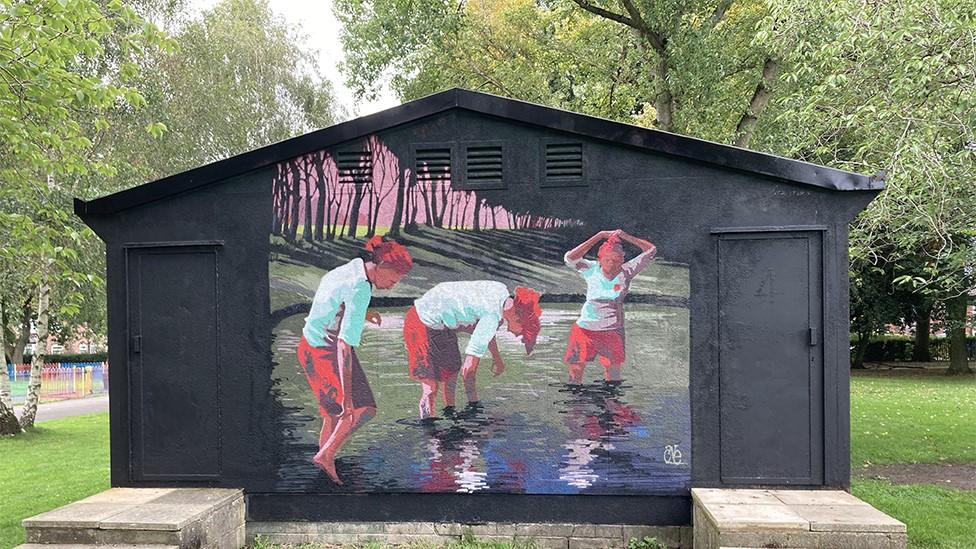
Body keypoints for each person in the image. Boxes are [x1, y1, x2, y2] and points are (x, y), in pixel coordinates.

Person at [297, 235, 413, 484]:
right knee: (361, 409)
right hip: (325, 350)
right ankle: (326, 455)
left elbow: (334, 301)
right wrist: (348, 398)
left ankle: (323, 465)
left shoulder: (352, 267)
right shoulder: (361, 287)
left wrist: (363, 312)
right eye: (393, 280)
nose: (392, 286)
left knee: (332, 413)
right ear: (381, 267)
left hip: (308, 345)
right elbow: (343, 346)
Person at [403, 281, 542, 419]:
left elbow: (484, 329)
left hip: (443, 324)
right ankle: (429, 430)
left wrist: (496, 357)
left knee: (451, 373)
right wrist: (474, 405)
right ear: (518, 317)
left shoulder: (501, 292)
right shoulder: (492, 316)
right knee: (431, 387)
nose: (517, 335)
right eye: (521, 333)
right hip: (420, 320)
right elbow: (468, 370)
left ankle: (450, 414)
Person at [563, 229, 656, 383]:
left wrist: (625, 236)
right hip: (585, 329)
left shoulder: (627, 271)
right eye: (608, 260)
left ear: (622, 260)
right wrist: (599, 235)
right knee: (575, 377)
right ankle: (577, 405)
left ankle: (611, 403)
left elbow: (651, 250)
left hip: (612, 331)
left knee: (613, 380)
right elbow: (570, 258)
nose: (612, 264)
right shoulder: (591, 269)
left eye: (616, 260)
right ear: (600, 259)